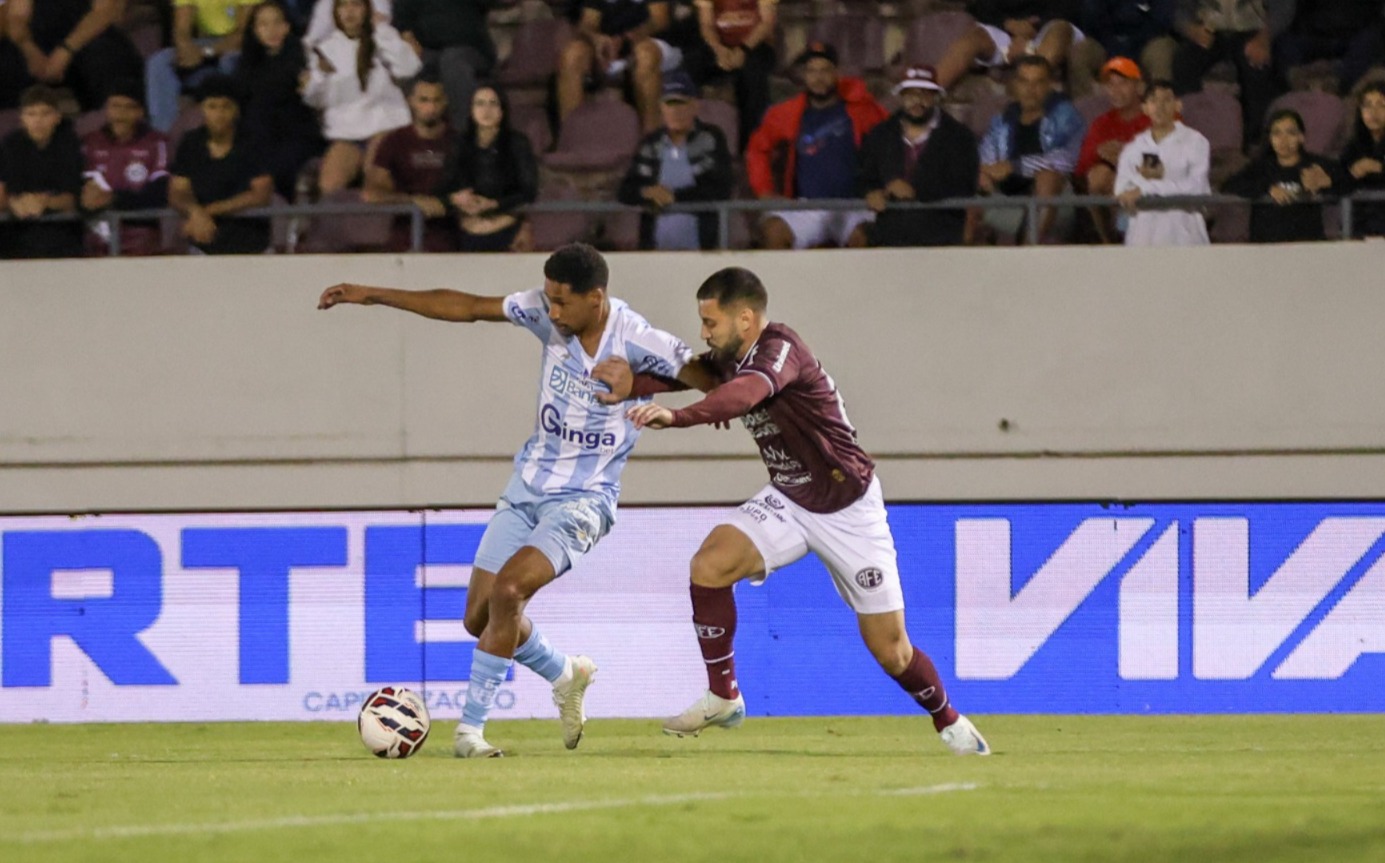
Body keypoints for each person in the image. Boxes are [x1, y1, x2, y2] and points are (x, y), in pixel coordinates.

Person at [316, 243, 707, 758]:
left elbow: (713, 378)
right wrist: (374, 295)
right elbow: (469, 307)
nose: (553, 311)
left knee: (509, 592)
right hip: (526, 489)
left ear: (596, 298)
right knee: (478, 618)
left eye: (563, 302)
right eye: (548, 300)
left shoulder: (638, 337)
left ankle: (470, 733)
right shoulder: (548, 317)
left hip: (584, 500)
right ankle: (566, 673)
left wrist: (641, 384)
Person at [591, 267, 991, 756]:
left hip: (848, 508)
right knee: (709, 565)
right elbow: (697, 374)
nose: (705, 332)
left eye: (711, 322)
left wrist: (679, 418)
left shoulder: (780, 349)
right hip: (789, 497)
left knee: (892, 651)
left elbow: (743, 394)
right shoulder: (731, 357)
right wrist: (633, 384)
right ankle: (724, 695)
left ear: (745, 318)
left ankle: (949, 720)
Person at [746, 42, 888, 250]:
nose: (818, 78)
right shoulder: (787, 113)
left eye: (824, 70)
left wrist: (883, 187)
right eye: (811, 71)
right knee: (773, 232)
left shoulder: (862, 108)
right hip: (807, 206)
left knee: (867, 238)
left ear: (836, 73)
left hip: (854, 205)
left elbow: (891, 141)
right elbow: (757, 148)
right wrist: (764, 191)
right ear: (803, 75)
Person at [301, 0, 422, 195]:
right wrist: (320, 76)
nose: (349, 12)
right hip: (346, 134)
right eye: (343, 6)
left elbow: (409, 68)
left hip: (385, 127)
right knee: (329, 187)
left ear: (367, 9)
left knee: (375, 181)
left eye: (356, 5)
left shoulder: (381, 38)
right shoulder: (325, 48)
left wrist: (382, 30)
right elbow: (315, 100)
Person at [858, 64, 978, 248]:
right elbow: (865, 177)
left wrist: (914, 190)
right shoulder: (880, 134)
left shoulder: (960, 137)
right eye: (911, 94)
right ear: (901, 96)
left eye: (925, 93)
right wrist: (872, 192)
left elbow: (964, 185)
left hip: (940, 240)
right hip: (890, 239)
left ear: (935, 96)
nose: (917, 100)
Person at [617, 70, 734, 251]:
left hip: (702, 251)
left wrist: (674, 197)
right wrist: (647, 192)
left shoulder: (711, 138)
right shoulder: (651, 143)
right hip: (653, 253)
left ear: (695, 106)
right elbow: (625, 191)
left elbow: (721, 187)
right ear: (661, 108)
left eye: (681, 103)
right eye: (669, 104)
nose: (675, 111)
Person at [976, 55, 1086, 243]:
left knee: (1048, 177)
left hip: (1056, 202)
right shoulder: (1002, 120)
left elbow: (1066, 161)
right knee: (971, 180)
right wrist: (984, 171)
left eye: (1038, 82)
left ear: (1049, 85)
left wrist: (1015, 166)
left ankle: (1029, 255)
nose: (1030, 90)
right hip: (1007, 197)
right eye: (1024, 82)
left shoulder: (1066, 117)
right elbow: (985, 158)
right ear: (1014, 85)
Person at [168, 75, 275, 254]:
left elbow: (260, 194)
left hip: (252, 245)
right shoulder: (191, 143)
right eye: (212, 107)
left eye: (226, 107)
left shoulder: (254, 142)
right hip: (202, 245)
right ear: (202, 109)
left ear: (236, 110)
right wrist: (194, 211)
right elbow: (177, 191)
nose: (219, 114)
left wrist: (206, 212)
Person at [235, 0, 324, 200]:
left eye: (277, 23)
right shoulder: (246, 66)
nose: (271, 30)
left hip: (296, 137)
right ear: (254, 29)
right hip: (257, 138)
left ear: (287, 26)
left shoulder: (302, 59)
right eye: (263, 24)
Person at [1171, 0, 1291, 148]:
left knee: (1256, 65)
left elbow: (1284, 7)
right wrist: (1191, 30)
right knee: (1184, 62)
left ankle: (1255, 141)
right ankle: (1190, 135)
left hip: (1253, 30)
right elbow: (1180, 10)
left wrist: (1264, 38)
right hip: (1209, 30)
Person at [435, 83, 539, 253]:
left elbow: (529, 190)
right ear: (471, 109)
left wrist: (494, 204)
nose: (486, 110)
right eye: (480, 103)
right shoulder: (459, 145)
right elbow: (442, 188)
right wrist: (455, 198)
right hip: (467, 233)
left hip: (506, 231)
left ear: (502, 109)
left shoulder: (517, 143)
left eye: (493, 103)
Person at [362, 73, 457, 252]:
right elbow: (372, 194)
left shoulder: (459, 142)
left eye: (436, 100)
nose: (431, 107)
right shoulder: (394, 141)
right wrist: (415, 202)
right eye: (424, 100)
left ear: (445, 102)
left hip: (451, 235)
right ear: (410, 101)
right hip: (403, 236)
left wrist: (445, 203)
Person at [557, 0, 682, 134]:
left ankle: (651, 139)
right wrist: (597, 39)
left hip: (652, 42)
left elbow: (659, 20)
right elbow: (588, 23)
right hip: (611, 48)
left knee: (645, 55)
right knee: (572, 54)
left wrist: (628, 38)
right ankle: (571, 137)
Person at [80, 79, 171, 256]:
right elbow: (81, 188)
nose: (121, 114)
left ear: (140, 112)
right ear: (106, 110)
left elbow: (160, 192)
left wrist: (114, 199)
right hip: (96, 241)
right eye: (115, 106)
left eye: (128, 107)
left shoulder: (157, 142)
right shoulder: (89, 142)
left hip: (142, 241)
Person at [1222, 108, 1341, 243]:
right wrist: (1267, 189)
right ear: (1270, 138)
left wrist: (1326, 182)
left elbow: (1347, 180)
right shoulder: (1260, 167)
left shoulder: (1315, 165)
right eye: (1277, 133)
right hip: (1266, 248)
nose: (1283, 139)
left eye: (1290, 133)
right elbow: (1230, 184)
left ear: (1301, 137)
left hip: (1308, 247)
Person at [1114, 79, 1210, 245]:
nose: (1159, 106)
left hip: (1184, 237)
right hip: (1143, 238)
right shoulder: (1133, 149)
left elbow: (1197, 188)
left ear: (1178, 105)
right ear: (1144, 108)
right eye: (1153, 101)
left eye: (1166, 100)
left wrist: (1146, 187)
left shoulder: (1196, 142)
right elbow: (1122, 190)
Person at [4, 0, 144, 112]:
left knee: (110, 59)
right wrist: (30, 51)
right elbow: (17, 16)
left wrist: (66, 51)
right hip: (39, 42)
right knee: (7, 61)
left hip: (87, 37)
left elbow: (105, 11)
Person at [146, 0, 256, 133]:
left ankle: (232, 128)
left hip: (239, 47)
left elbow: (242, 35)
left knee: (229, 60)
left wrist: (205, 51)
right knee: (159, 62)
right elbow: (181, 31)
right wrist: (185, 46)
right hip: (205, 43)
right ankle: (163, 135)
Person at [0, 84, 84, 258]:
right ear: (22, 118)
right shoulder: (10, 145)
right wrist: (14, 204)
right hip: (14, 228)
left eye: (45, 113)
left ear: (57, 117)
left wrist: (44, 202)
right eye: (31, 114)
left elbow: (71, 199)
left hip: (61, 231)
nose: (38, 121)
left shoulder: (69, 144)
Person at [683, 0, 777, 150]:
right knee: (690, 66)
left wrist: (743, 49)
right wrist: (718, 49)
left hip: (755, 45)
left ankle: (751, 146)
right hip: (719, 45)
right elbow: (706, 25)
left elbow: (766, 23)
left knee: (752, 75)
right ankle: (688, 139)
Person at [1074, 56, 1150, 242]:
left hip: (1153, 187)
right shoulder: (1102, 123)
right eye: (1111, 85)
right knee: (1099, 175)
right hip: (1115, 195)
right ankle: (1110, 244)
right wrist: (1102, 153)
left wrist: (1126, 155)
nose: (1115, 91)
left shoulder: (1156, 117)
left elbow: (1170, 161)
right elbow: (1082, 166)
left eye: (1123, 83)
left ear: (1139, 86)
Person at [934, 0, 1085, 93]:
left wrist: (1032, 30)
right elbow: (979, 6)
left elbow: (1070, 7)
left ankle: (1026, 98)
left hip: (1050, 25)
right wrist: (1009, 24)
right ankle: (925, 94)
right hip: (1007, 29)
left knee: (1059, 32)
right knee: (971, 40)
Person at [392, 0, 497, 132]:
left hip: (469, 47)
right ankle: (411, 140)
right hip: (425, 48)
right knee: (408, 67)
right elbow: (402, 17)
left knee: (453, 64)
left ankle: (464, 135)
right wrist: (408, 39)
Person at [1274, 1, 1384, 96]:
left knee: (1370, 41)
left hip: (1356, 34)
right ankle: (1298, 80)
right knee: (1284, 41)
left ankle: (1336, 81)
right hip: (1314, 34)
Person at [1079, 0, 1177, 82]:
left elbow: (1162, 21)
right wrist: (1114, 46)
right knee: (1081, 52)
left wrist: (1131, 44)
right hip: (1106, 43)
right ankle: (1090, 103)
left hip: (1146, 41)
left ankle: (1160, 100)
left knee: (1161, 51)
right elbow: (1091, 23)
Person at [1342, 81, 1385, 239]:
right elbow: (1341, 179)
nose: (1374, 112)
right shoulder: (1353, 147)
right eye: (1367, 105)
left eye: (1381, 105)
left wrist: (1379, 168)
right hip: (1361, 227)